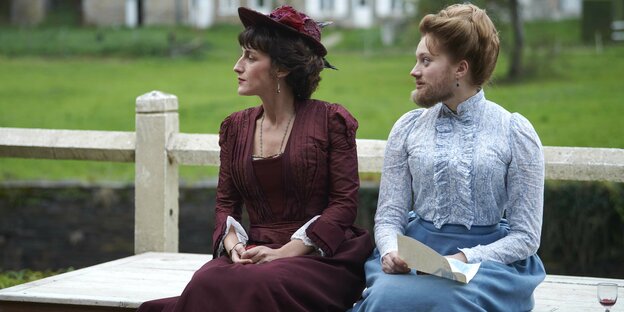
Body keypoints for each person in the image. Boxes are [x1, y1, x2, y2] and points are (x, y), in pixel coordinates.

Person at [137, 5, 373, 312]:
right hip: (255, 251)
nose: (237, 66)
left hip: (320, 257)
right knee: (206, 280)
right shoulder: (235, 128)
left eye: (250, 57)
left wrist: (286, 252)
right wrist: (235, 247)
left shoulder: (331, 122)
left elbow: (343, 205)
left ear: (281, 68)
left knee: (263, 283)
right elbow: (226, 204)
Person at [350, 3, 546, 312]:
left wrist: (465, 258)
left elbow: (526, 237)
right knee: (386, 299)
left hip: (488, 265)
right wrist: (390, 251)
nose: (414, 71)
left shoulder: (514, 132)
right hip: (414, 257)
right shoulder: (408, 128)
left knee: (450, 303)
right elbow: (390, 216)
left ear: (460, 69)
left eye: (426, 61)